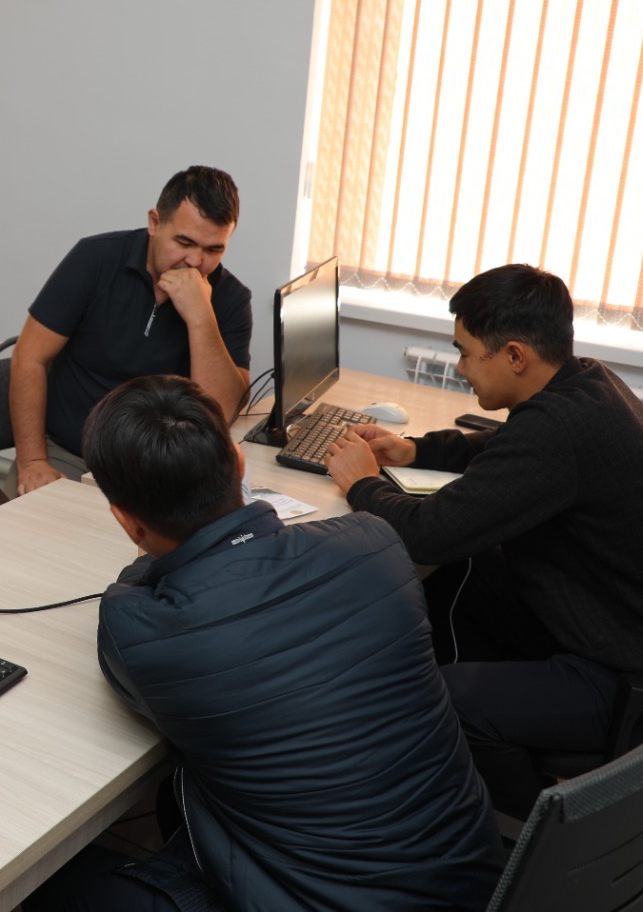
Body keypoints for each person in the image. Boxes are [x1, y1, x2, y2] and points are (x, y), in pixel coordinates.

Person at [28, 375, 501, 911]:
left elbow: (134, 589)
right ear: (239, 463)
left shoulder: (141, 627)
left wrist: (149, 558)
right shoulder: (374, 540)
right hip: (475, 882)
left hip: (323, 901)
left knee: (51, 877)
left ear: (125, 521)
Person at [326, 263, 643, 817]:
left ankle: (525, 836)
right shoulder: (585, 384)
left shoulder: (560, 427)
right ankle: (435, 765)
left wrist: (362, 485)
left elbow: (428, 535)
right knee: (465, 573)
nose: (461, 367)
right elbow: (511, 449)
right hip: (637, 632)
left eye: (466, 353)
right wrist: (416, 450)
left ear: (515, 356)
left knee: (449, 694)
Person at [10, 166, 251, 497]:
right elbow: (29, 357)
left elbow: (223, 413)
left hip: (164, 471)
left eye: (214, 249)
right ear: (155, 223)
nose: (196, 261)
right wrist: (33, 460)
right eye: (184, 242)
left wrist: (201, 318)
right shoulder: (95, 259)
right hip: (68, 456)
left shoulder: (232, 298)